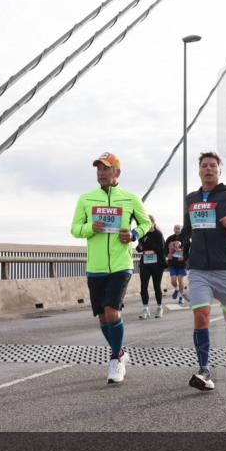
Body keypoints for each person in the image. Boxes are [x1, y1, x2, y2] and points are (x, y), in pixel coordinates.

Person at [71, 152, 150, 385]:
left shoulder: (130, 199)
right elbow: (75, 228)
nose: (101, 172)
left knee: (112, 311)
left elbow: (146, 223)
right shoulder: (86, 198)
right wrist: (90, 228)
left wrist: (133, 234)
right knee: (103, 318)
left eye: (106, 168)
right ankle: (121, 351)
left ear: (117, 172)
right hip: (95, 267)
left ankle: (115, 359)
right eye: (98, 168)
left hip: (121, 265)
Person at [179, 151, 226, 392]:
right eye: (204, 165)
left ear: (219, 170)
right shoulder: (191, 198)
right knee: (201, 316)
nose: (208, 169)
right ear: (199, 170)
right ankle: (204, 369)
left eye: (212, 166)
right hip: (198, 268)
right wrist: (178, 242)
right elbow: (187, 229)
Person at [135, 215, 166, 319]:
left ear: (152, 222)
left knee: (157, 286)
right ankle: (145, 309)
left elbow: (161, 249)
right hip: (145, 263)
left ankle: (159, 308)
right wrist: (139, 247)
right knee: (143, 286)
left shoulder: (158, 234)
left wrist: (149, 241)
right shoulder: (143, 234)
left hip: (157, 264)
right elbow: (139, 248)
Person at [165, 224, 188, 305]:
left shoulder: (185, 238)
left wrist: (184, 257)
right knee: (173, 281)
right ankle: (176, 289)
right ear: (174, 229)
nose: (177, 230)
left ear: (181, 230)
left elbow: (188, 250)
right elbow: (165, 249)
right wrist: (167, 254)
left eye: (178, 228)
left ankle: (181, 297)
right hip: (172, 263)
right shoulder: (169, 238)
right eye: (176, 228)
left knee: (180, 280)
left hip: (181, 263)